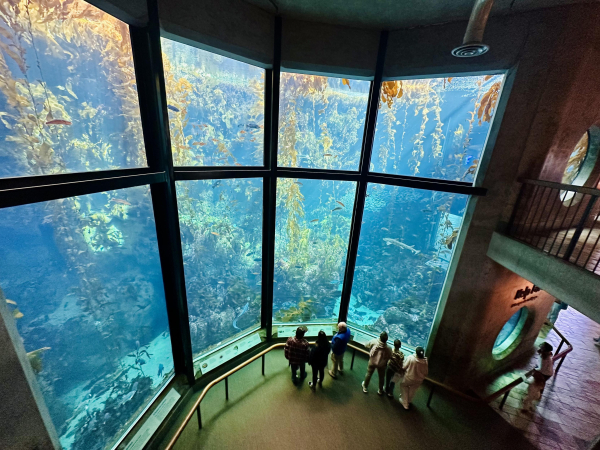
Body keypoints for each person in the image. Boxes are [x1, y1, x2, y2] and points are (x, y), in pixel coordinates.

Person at [522, 342, 554, 412]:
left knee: (535, 386)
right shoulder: (546, 356)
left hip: (545, 374)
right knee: (536, 386)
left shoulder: (545, 359)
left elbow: (542, 369)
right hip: (546, 373)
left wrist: (535, 370)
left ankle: (527, 404)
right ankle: (534, 396)